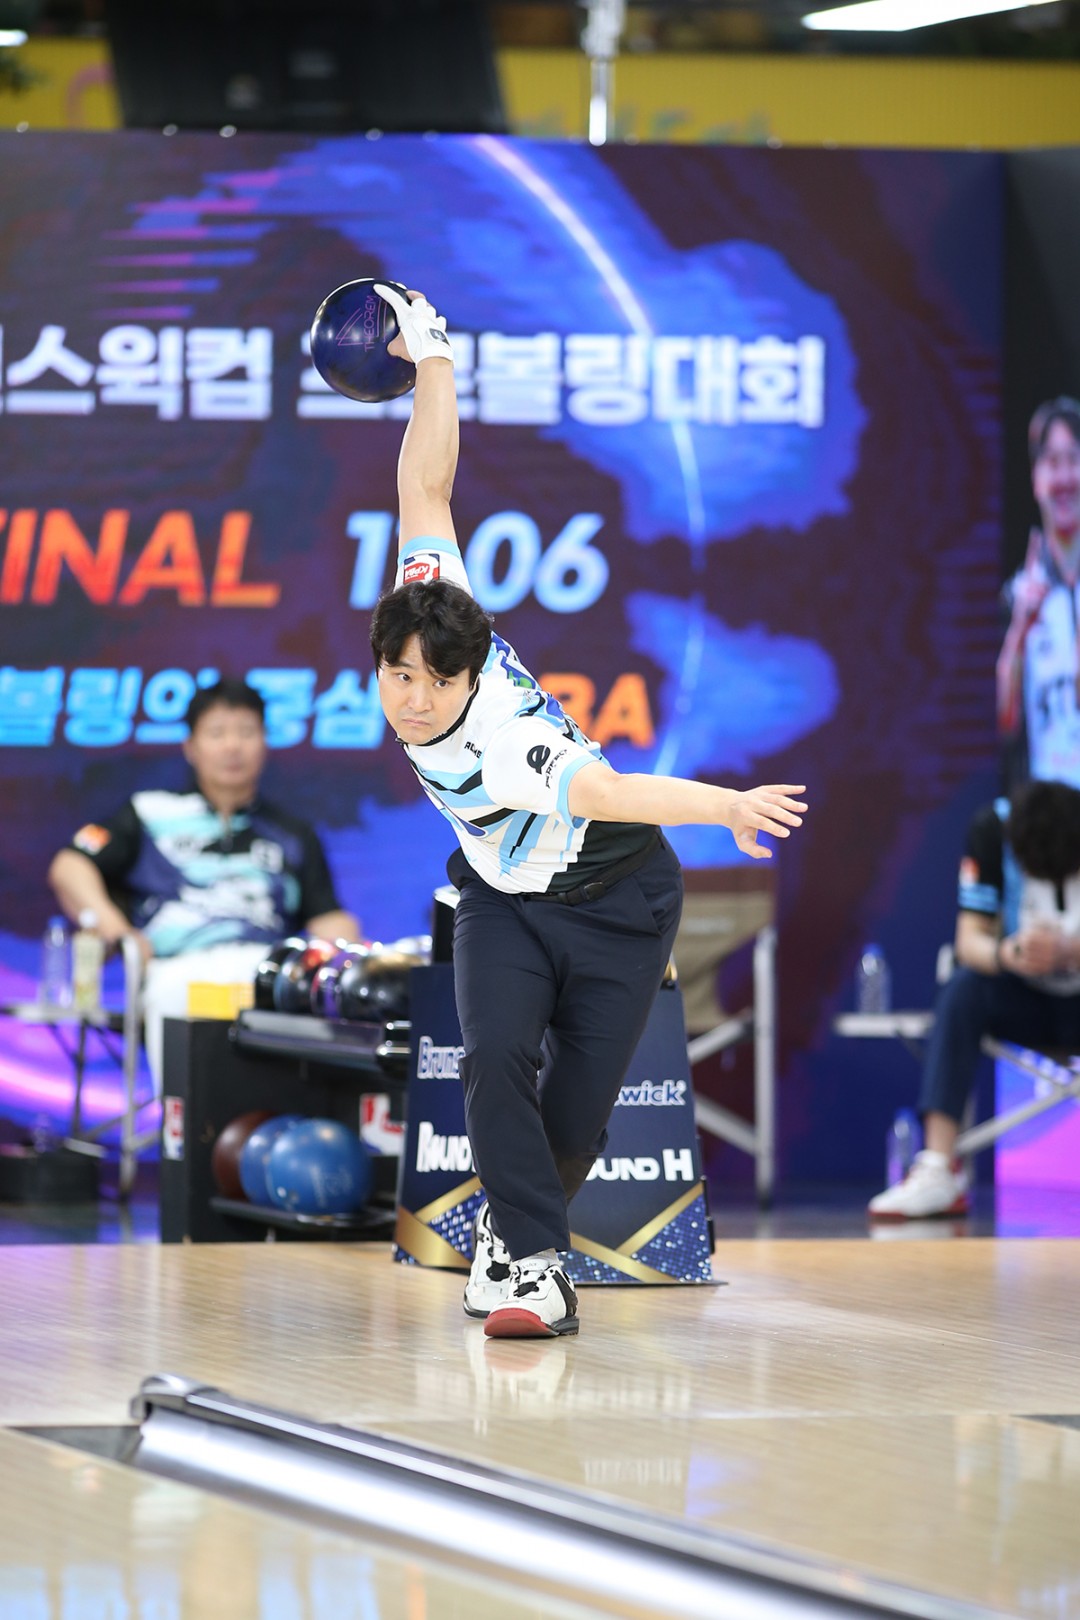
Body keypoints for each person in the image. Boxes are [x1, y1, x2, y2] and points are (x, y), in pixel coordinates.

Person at [370, 284, 807, 1339]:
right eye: (397, 676)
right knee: (493, 1058)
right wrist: (434, 358)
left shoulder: (506, 742)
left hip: (617, 894)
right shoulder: (428, 604)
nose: (413, 700)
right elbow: (425, 485)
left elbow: (614, 795)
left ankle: (509, 1234)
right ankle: (534, 1270)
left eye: (435, 683)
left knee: (574, 1119)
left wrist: (727, 805)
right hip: (501, 897)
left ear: (470, 676)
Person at [47, 677, 358, 1089]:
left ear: (264, 742)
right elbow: (70, 866)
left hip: (262, 971)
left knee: (302, 1005)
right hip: (178, 969)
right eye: (217, 733)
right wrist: (118, 931)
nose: (232, 746)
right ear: (190, 747)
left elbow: (328, 917)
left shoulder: (293, 834)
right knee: (175, 1004)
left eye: (246, 732)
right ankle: (180, 1122)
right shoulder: (148, 813)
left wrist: (349, 955)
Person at [868, 778, 1080, 1221]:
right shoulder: (993, 830)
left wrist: (1069, 950)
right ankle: (937, 1167)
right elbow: (969, 941)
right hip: (1022, 997)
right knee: (963, 986)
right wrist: (1009, 954)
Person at [997, 398, 1080, 788]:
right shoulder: (1017, 596)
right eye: (1052, 462)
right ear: (1036, 479)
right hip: (1044, 812)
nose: (1064, 478)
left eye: (1073, 460)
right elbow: (1004, 723)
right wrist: (1019, 632)